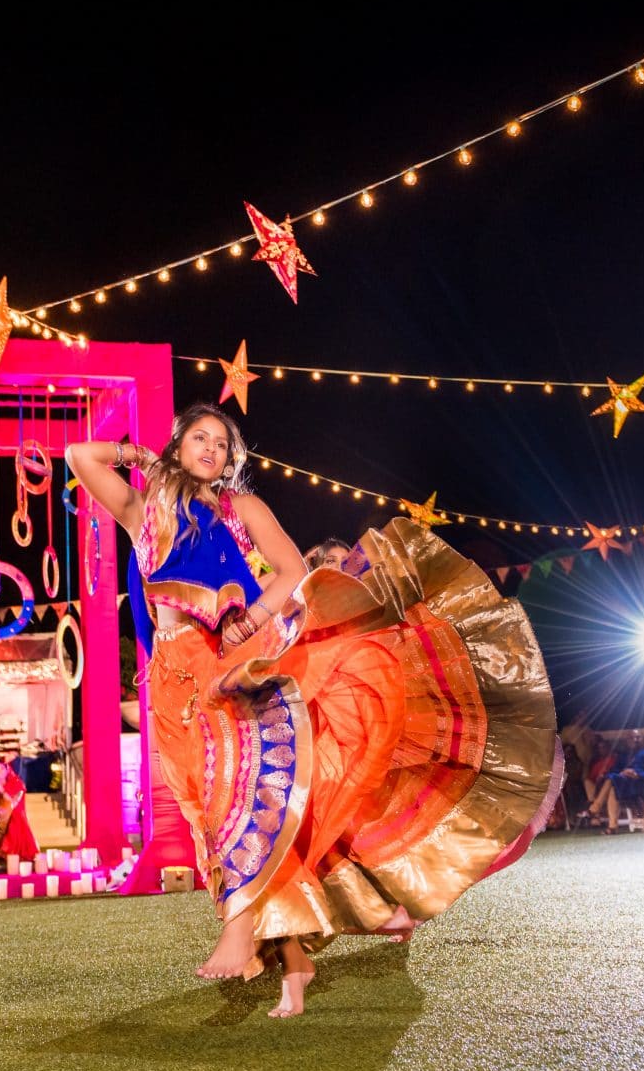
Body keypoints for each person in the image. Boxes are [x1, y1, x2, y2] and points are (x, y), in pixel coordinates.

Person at [68, 405, 559, 1018]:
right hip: (169, 683)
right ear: (177, 446)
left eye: (222, 442)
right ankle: (295, 963)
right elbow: (79, 457)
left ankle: (241, 927)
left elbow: (294, 573)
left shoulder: (240, 510)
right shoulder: (145, 513)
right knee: (214, 813)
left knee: (237, 791)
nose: (212, 449)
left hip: (232, 665)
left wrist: (254, 616)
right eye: (199, 438)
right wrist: (141, 459)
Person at [590, 730, 644, 833]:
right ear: (627, 741)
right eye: (632, 738)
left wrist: (637, 774)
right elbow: (614, 770)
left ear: (642, 739)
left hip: (639, 786)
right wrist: (622, 772)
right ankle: (611, 827)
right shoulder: (623, 756)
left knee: (613, 784)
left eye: (638, 737)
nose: (635, 740)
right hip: (623, 786)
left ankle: (595, 809)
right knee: (612, 784)